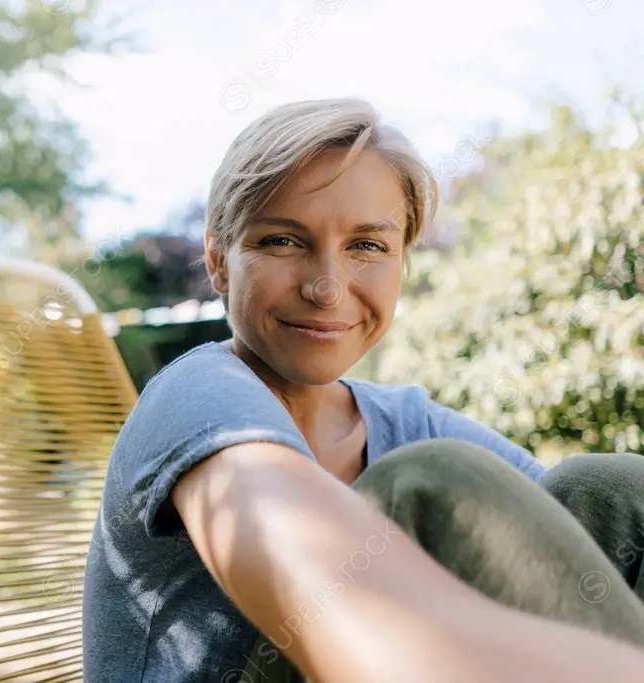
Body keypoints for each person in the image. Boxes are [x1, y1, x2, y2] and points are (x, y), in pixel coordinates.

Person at [80, 98, 644, 683]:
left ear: (402, 262)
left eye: (367, 246)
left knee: (614, 489)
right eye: (282, 241)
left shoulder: (403, 421)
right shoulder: (195, 396)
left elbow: (575, 533)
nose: (327, 287)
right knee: (432, 482)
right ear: (219, 261)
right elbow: (306, 575)